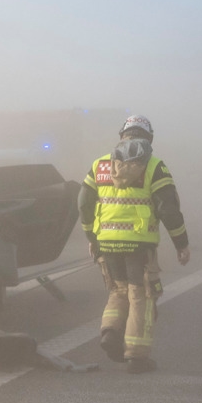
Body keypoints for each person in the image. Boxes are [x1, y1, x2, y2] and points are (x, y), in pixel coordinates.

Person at [78, 115, 191, 373]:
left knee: (118, 291)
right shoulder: (154, 166)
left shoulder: (99, 165)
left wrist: (91, 237)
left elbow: (83, 203)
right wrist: (181, 243)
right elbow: (169, 210)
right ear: (148, 138)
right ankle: (136, 357)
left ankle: (109, 332)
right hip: (139, 245)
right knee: (141, 295)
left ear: (122, 136)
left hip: (107, 242)